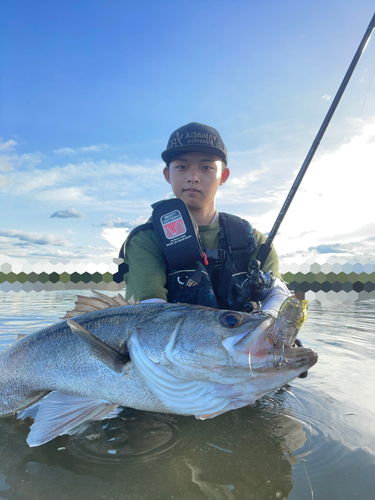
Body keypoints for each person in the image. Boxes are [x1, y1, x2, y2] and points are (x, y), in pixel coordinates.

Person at [120, 122, 290, 317]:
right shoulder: (146, 239)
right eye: (182, 166)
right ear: (168, 174)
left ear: (223, 176)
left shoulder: (255, 241)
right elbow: (149, 316)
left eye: (206, 167)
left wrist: (266, 323)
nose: (193, 177)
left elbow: (280, 298)